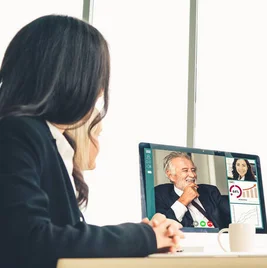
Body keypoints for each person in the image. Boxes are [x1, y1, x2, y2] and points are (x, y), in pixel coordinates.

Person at [0, 15, 183, 268]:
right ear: (70, 77)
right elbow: (32, 241)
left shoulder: (43, 138)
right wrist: (143, 236)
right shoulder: (17, 133)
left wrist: (144, 238)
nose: (99, 92)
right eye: (97, 77)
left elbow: (61, 235)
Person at [155, 152, 231, 229]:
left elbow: (233, 215)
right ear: (170, 175)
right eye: (185, 170)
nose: (192, 175)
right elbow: (163, 227)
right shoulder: (161, 194)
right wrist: (183, 200)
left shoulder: (210, 191)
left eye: (193, 170)